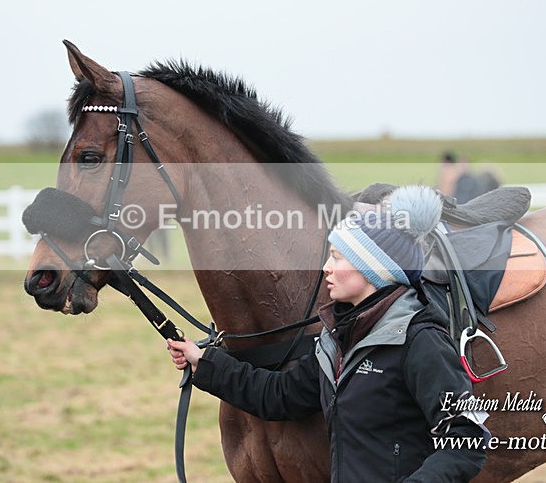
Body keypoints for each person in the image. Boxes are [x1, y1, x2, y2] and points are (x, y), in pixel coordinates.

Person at [168, 186, 489, 482]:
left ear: (371, 268)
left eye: (337, 257)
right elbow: (279, 396)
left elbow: (466, 440)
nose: (326, 268)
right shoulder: (336, 342)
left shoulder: (421, 341)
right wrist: (204, 362)